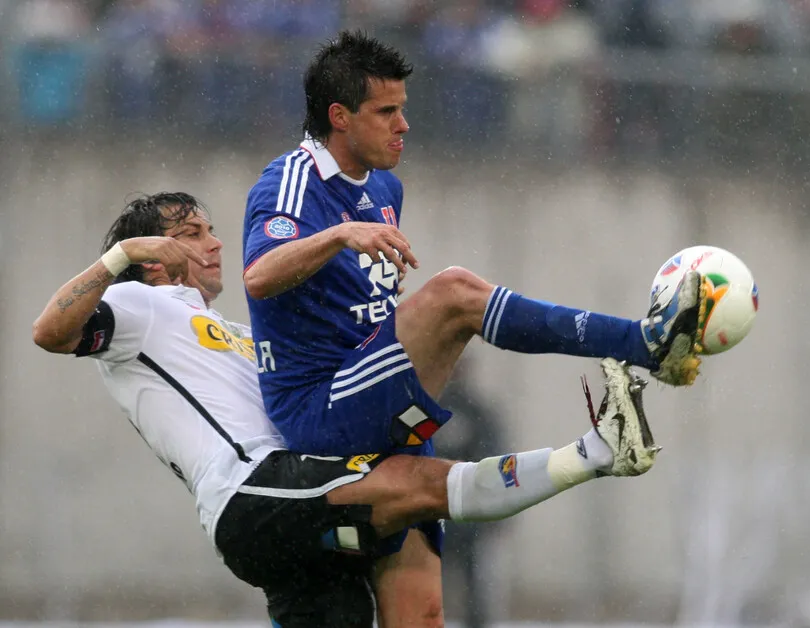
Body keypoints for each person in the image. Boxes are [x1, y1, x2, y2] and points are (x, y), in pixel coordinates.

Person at [34, 192, 666, 628]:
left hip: (292, 503)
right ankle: (597, 452)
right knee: (417, 485)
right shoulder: (138, 309)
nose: (216, 242)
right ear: (152, 253)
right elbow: (50, 332)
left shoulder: (232, 330)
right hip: (249, 494)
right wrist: (120, 260)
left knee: (412, 583)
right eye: (191, 234)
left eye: (211, 229)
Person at [242, 30, 705, 624]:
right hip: (321, 406)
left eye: (403, 109)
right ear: (339, 116)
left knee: (426, 616)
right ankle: (643, 343)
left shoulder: (384, 187)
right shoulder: (290, 182)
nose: (403, 125)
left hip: (371, 392)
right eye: (387, 111)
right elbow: (258, 276)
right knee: (456, 294)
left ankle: (602, 443)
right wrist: (337, 236)